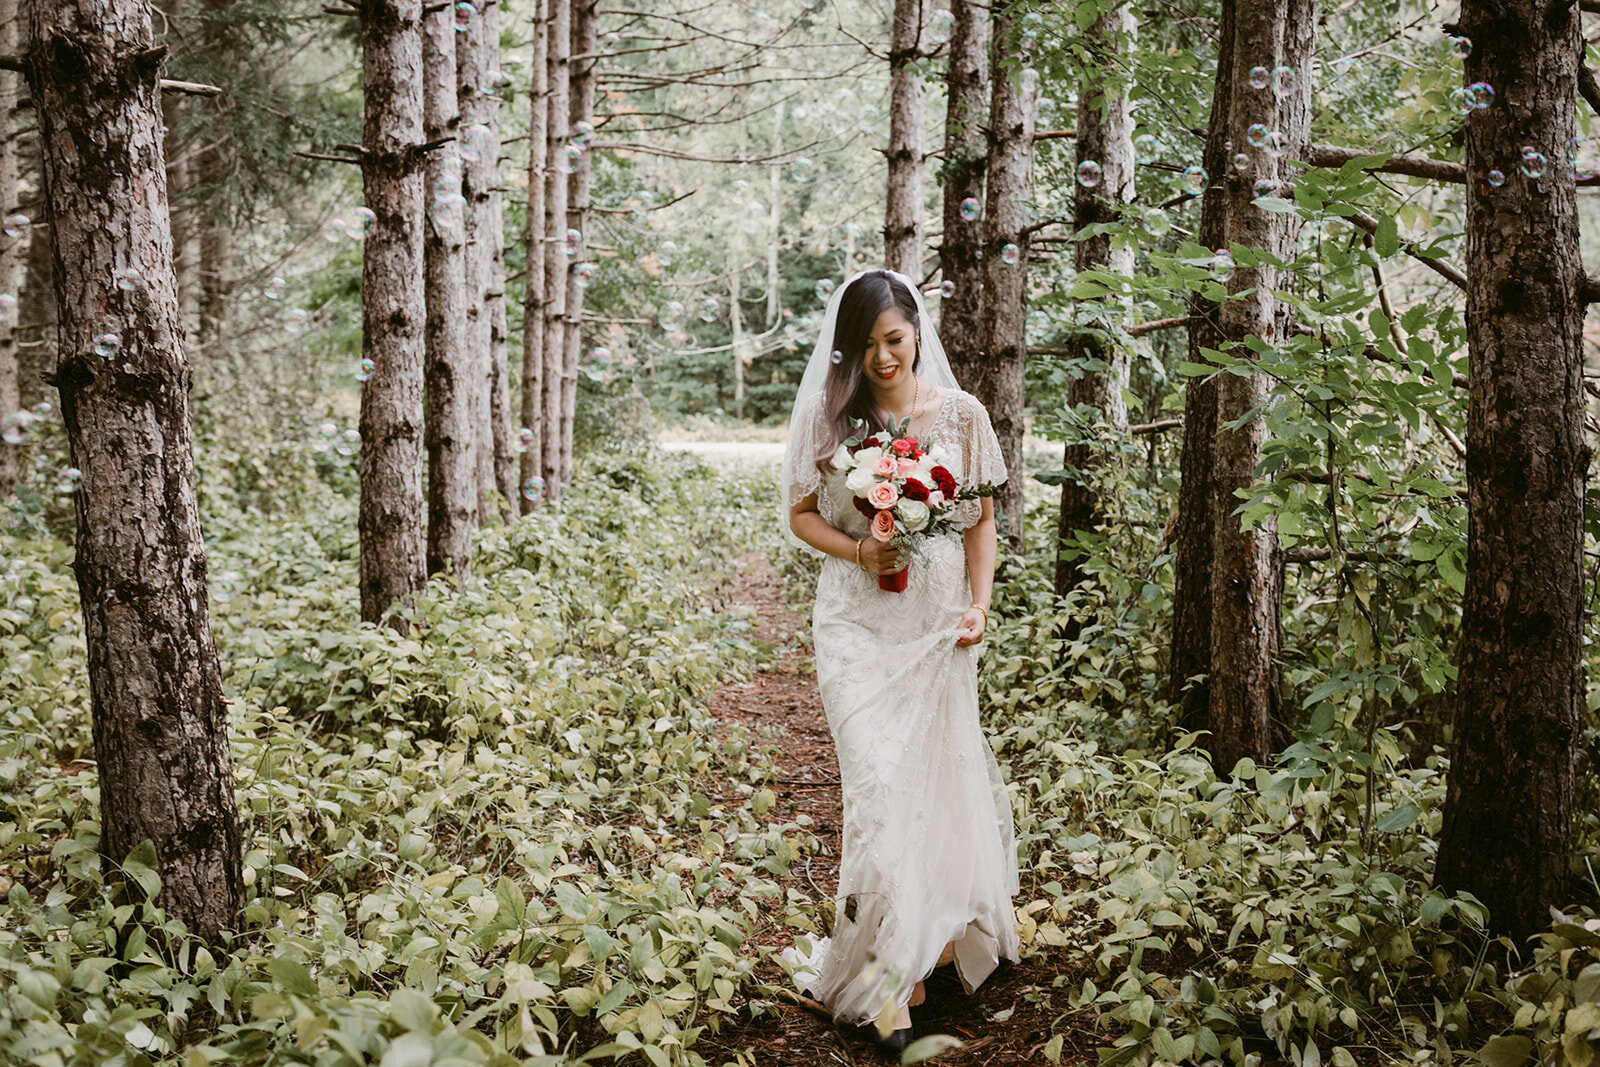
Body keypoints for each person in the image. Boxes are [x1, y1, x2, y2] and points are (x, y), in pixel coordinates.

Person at [777, 268, 1022, 1051]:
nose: (883, 358)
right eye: (867, 345)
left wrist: (980, 601)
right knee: (879, 783)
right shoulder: (832, 414)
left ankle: (912, 953)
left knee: (932, 777)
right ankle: (888, 977)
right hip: (856, 620)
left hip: (939, 617)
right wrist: (859, 548)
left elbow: (981, 519)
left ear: (917, 329)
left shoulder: (962, 414)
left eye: (894, 339)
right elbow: (801, 515)